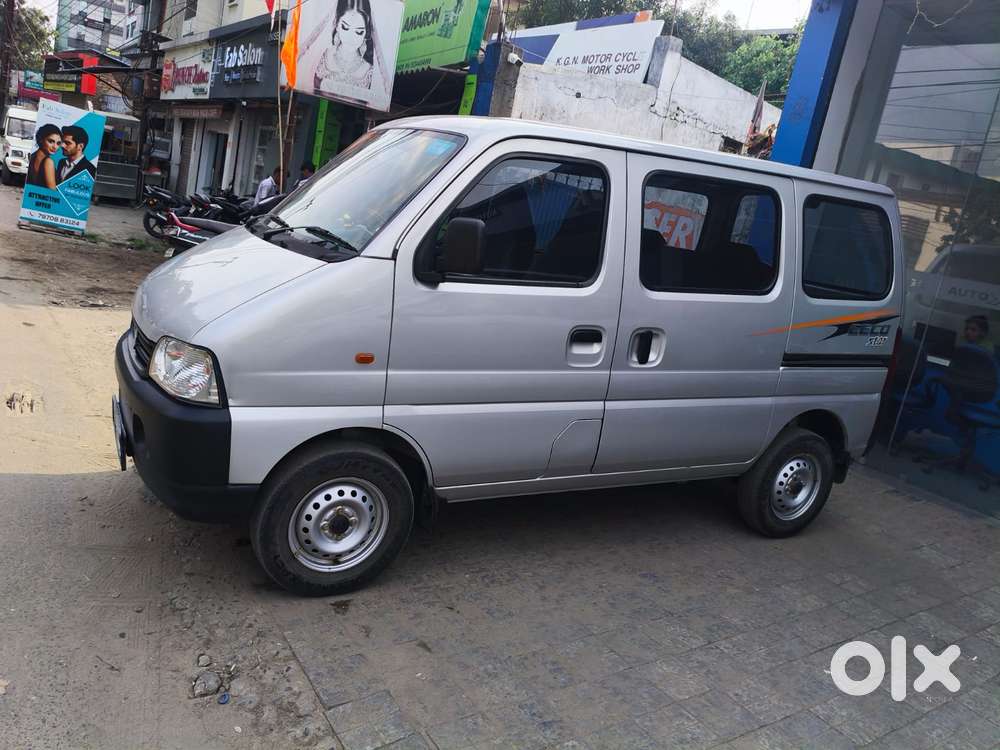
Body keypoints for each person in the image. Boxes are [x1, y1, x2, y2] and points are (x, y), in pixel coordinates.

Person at [314, 0, 375, 92]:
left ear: (366, 33)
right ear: (337, 24)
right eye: (345, 27)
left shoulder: (367, 70)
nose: (351, 37)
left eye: (359, 32)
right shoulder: (326, 56)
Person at [25, 124, 61, 189]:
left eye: (58, 143)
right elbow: (52, 192)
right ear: (41, 140)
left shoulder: (32, 156)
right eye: (51, 141)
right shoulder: (49, 162)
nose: (55, 147)